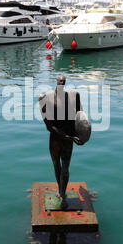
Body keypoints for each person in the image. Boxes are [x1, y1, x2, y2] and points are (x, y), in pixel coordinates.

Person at [39, 75, 83, 209]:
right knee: (56, 165)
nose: (61, 84)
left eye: (63, 82)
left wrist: (80, 135)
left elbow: (80, 117)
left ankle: (62, 194)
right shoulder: (44, 98)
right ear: (56, 83)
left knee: (65, 168)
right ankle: (60, 190)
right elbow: (49, 126)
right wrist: (68, 137)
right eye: (59, 82)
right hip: (56, 139)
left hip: (69, 137)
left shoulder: (75, 96)